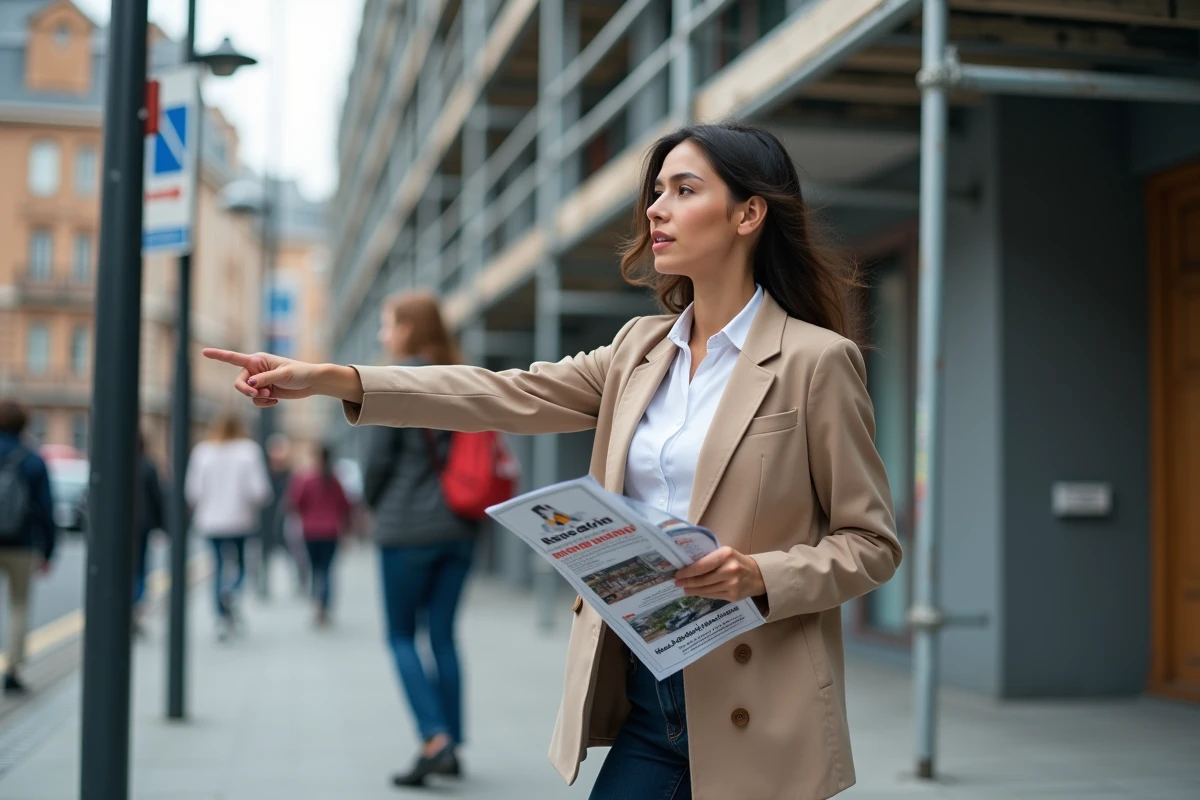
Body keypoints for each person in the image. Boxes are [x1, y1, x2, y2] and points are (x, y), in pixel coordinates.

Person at [205, 122, 902, 800]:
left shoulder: (815, 361)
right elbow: (502, 394)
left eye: (684, 190)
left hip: (753, 696)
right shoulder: (638, 350)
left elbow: (871, 545)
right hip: (647, 684)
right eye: (656, 191)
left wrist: (760, 573)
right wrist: (334, 379)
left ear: (749, 213)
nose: (657, 208)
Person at [348, 290, 479, 787]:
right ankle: (453, 741)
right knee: (443, 636)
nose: (383, 335)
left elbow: (376, 464)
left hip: (406, 529)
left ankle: (434, 738)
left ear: (407, 329)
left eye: (387, 325)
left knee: (401, 635)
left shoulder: (397, 379)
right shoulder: (463, 379)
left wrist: (374, 503)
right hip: (460, 527)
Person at [186, 413, 272, 640]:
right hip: (240, 520)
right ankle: (232, 591)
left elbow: (192, 492)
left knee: (217, 567)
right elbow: (260, 491)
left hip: (210, 521)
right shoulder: (249, 451)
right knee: (241, 565)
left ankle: (220, 618)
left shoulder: (202, 452)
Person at [0, 399, 56, 695]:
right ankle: (12, 671)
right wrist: (48, 550)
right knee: (18, 605)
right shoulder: (32, 460)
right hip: (21, 543)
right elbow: (46, 509)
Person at [286, 443, 352, 626]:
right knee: (328, 569)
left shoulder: (306, 479)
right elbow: (346, 506)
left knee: (316, 569)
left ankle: (317, 603)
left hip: (311, 531)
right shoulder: (335, 480)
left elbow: (295, 503)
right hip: (331, 532)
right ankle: (324, 605)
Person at [132, 433, 166, 635]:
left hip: (121, 526)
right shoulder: (148, 465)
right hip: (143, 526)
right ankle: (136, 605)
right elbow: (157, 498)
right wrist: (164, 526)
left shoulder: (116, 464)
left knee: (125, 568)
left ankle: (128, 606)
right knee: (140, 569)